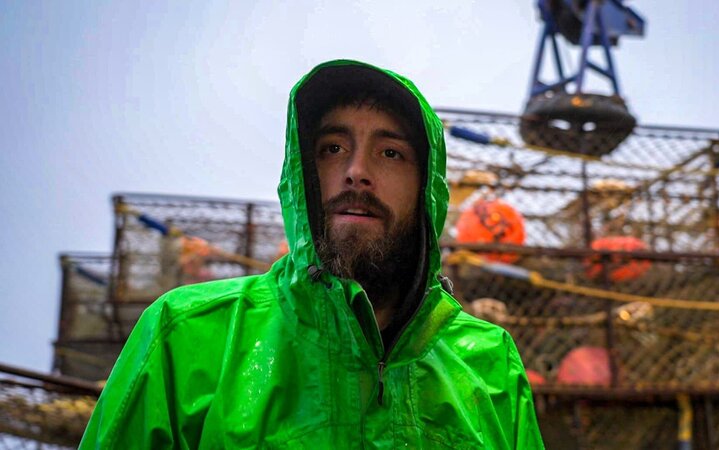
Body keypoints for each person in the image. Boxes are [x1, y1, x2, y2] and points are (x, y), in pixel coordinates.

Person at [80, 60, 545, 449]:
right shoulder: (183, 336)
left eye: (390, 153)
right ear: (302, 171)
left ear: (427, 188)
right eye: (333, 148)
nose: (356, 171)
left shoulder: (490, 364)